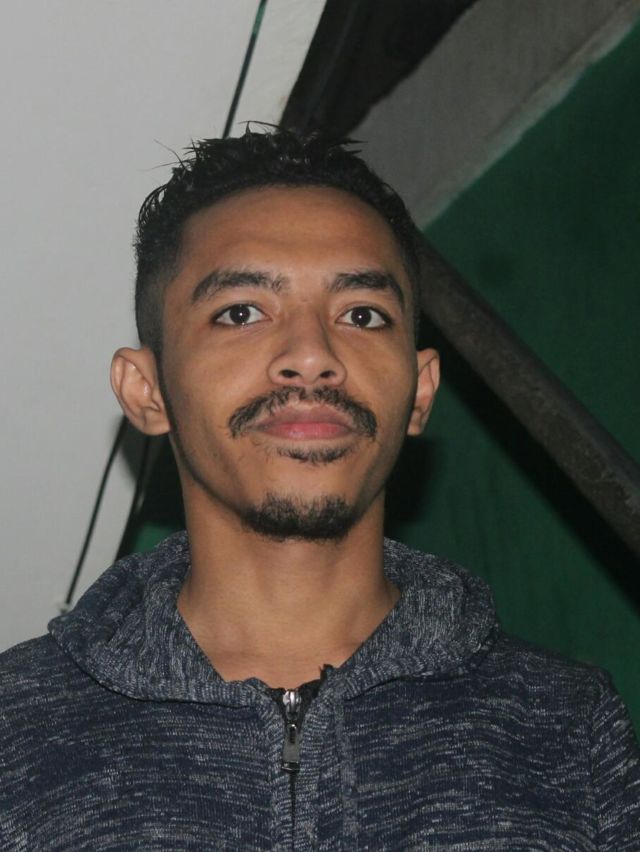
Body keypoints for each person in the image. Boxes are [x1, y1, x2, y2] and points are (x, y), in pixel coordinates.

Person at [1, 128, 638, 850]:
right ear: (146, 390)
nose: (311, 356)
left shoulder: (565, 728)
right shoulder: (17, 730)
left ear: (421, 390)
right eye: (241, 311)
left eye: (362, 315)